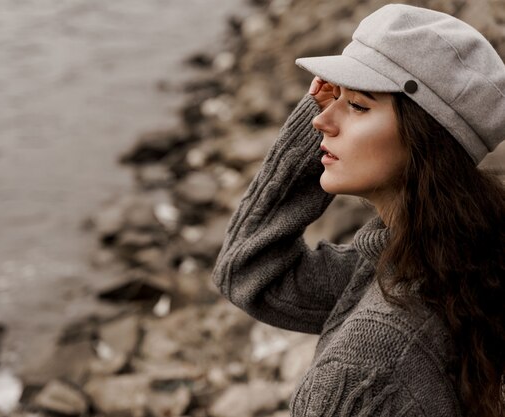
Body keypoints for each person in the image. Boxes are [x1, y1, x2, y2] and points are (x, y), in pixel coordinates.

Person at [212, 4, 504, 417]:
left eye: (359, 106)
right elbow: (252, 273)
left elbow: (248, 270)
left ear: (425, 140)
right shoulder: (458, 260)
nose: (320, 121)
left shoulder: (363, 370)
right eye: (334, 99)